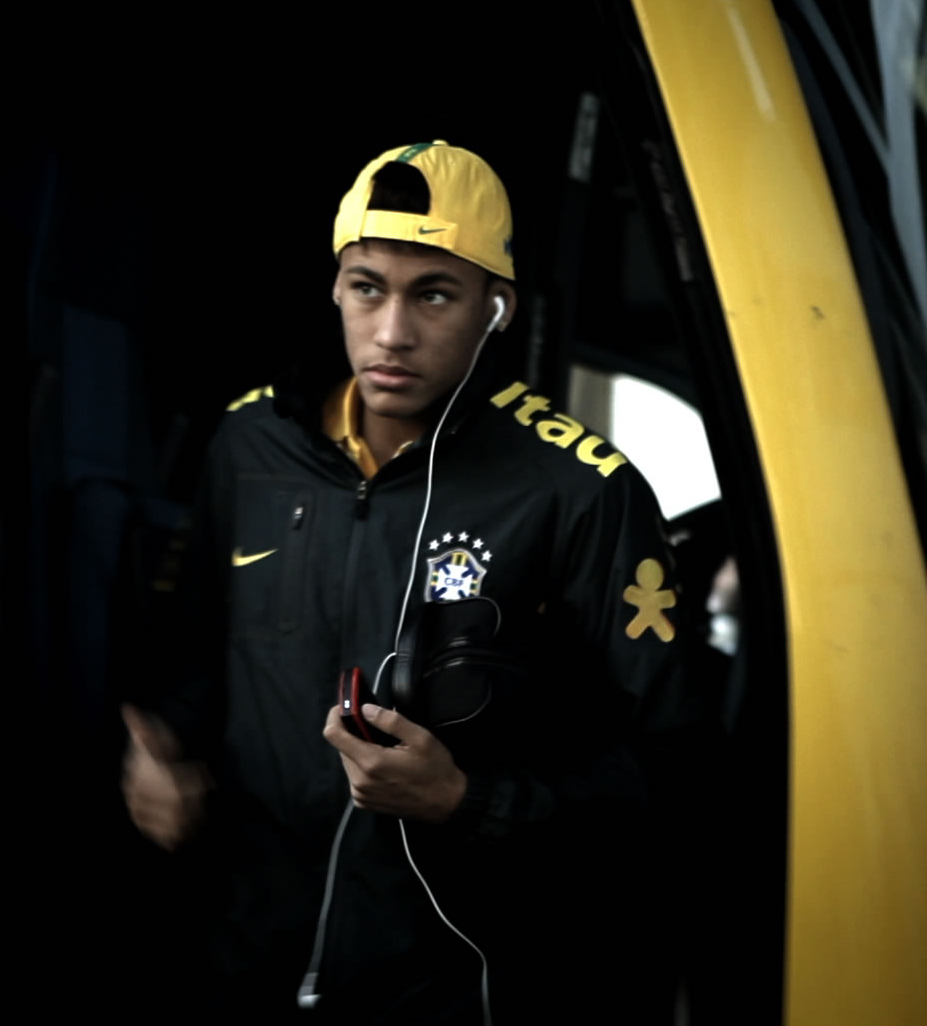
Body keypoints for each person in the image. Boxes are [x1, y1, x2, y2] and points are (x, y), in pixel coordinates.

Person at [120, 140, 692, 1024]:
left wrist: (466, 802)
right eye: (367, 288)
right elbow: (202, 655)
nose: (391, 332)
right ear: (335, 290)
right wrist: (161, 753)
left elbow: (663, 779)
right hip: (242, 955)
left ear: (496, 309)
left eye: (433, 294)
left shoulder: (580, 491)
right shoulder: (250, 444)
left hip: (449, 983)